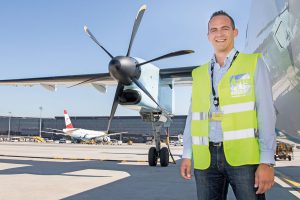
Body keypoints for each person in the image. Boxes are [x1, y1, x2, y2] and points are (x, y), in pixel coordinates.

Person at [180, 10, 276, 200]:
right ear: (208, 36)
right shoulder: (199, 74)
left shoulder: (253, 64)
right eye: (214, 29)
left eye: (225, 28)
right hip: (205, 159)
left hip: (244, 158)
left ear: (235, 32)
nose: (219, 33)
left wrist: (267, 161)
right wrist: (187, 153)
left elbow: (266, 112)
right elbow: (193, 116)